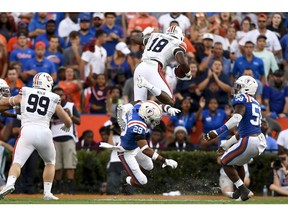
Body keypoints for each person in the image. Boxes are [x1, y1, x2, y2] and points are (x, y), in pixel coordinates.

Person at [0, 72, 72, 200]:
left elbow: (7, 103)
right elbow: (68, 121)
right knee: (50, 162)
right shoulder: (54, 97)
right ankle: (47, 193)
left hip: (27, 131)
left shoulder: (26, 92)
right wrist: (66, 126)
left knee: (17, 162)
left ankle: (10, 184)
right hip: (45, 132)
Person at [203, 75, 267, 201]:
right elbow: (240, 133)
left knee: (225, 162)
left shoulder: (242, 98)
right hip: (258, 140)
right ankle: (239, 192)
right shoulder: (255, 103)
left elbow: (236, 118)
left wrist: (217, 132)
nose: (236, 89)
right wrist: (226, 145)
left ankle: (244, 189)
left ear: (247, 89)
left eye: (239, 86)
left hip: (249, 141)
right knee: (239, 163)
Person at [103, 100, 178, 189]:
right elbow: (145, 149)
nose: (155, 122)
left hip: (135, 145)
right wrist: (164, 160)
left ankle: (133, 171)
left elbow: (143, 103)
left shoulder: (140, 108)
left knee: (149, 166)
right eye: (153, 120)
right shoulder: (137, 126)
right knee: (142, 182)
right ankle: (126, 178)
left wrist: (167, 108)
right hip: (126, 152)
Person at [131, 25, 192, 106]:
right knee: (170, 100)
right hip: (153, 67)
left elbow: (134, 38)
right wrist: (188, 74)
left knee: (138, 103)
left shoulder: (155, 36)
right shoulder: (177, 43)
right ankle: (147, 85)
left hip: (140, 66)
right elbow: (182, 62)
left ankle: (126, 107)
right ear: (180, 35)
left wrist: (145, 32)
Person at [50, 86, 80, 194]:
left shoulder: (70, 106)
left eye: (61, 95)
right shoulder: (49, 107)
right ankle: (57, 187)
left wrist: (70, 115)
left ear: (64, 96)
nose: (59, 97)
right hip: (54, 138)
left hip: (68, 137)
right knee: (56, 165)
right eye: (56, 95)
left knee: (69, 164)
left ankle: (69, 188)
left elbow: (79, 121)